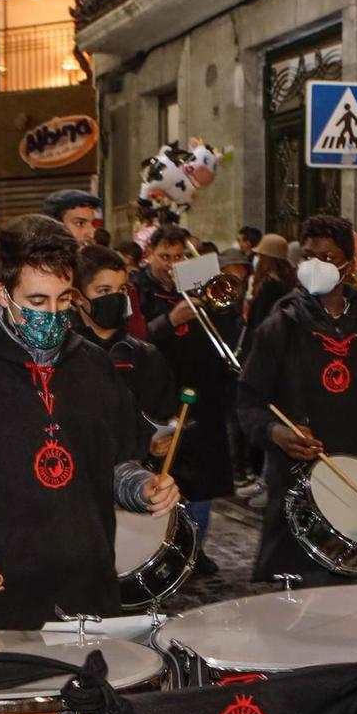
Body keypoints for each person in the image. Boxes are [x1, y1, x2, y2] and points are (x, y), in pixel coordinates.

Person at [0, 216, 179, 630]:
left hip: (86, 590)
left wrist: (143, 488)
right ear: (1, 292)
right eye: (36, 302)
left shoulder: (94, 365)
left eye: (63, 300)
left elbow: (115, 463)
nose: (51, 314)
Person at [237, 213, 357, 585]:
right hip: (298, 487)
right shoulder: (280, 326)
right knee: (298, 600)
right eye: (308, 256)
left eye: (328, 257)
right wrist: (275, 432)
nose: (316, 265)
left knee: (354, 598)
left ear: (349, 267)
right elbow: (248, 401)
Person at [135, 224, 240, 575]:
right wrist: (170, 319)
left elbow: (230, 334)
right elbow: (133, 340)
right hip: (157, 397)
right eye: (164, 256)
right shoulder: (137, 290)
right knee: (162, 477)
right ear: (150, 255)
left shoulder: (201, 287)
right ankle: (158, 551)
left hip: (203, 396)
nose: (172, 264)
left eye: (179, 256)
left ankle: (193, 549)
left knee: (202, 481)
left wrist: (219, 309)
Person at [75, 243, 176, 459]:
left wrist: (162, 442)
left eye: (122, 289)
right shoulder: (63, 356)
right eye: (104, 291)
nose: (117, 298)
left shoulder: (146, 356)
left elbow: (164, 417)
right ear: (77, 297)